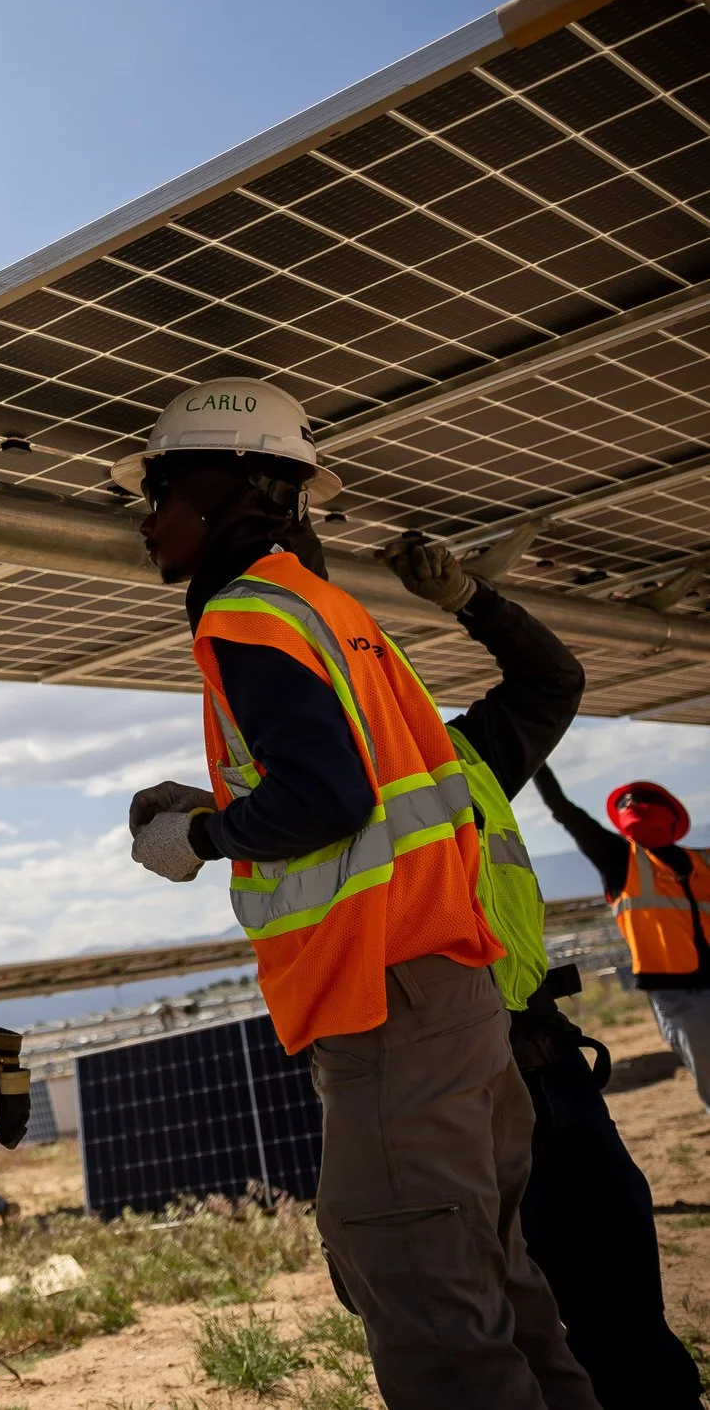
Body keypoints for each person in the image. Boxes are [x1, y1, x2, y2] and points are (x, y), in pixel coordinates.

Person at [116, 376, 596, 1410]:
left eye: (155, 490)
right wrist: (222, 803)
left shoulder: (247, 614)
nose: (145, 520)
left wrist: (201, 835)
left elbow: (328, 799)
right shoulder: (332, 612)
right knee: (505, 1301)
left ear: (220, 489)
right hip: (456, 1003)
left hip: (388, 1008)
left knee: (440, 1327)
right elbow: (363, 792)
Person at [392, 536, 699, 1408]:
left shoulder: (468, 755)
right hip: (457, 1093)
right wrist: (207, 821)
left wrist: (470, 600)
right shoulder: (327, 788)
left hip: (551, 1073)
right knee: (519, 1333)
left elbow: (553, 679)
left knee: (627, 1317)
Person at [536, 770, 710, 1116]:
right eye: (625, 803)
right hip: (681, 999)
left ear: (672, 814)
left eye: (642, 800)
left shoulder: (703, 861)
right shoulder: (618, 859)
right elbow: (564, 810)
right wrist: (534, 756)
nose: (632, 805)